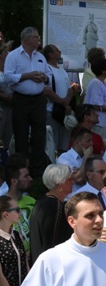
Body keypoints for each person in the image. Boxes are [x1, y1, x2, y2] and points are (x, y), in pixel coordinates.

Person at [3, 27, 51, 177]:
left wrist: (44, 78)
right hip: (21, 99)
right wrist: (27, 76)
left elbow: (49, 75)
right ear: (27, 39)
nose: (39, 40)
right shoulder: (13, 56)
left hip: (38, 99)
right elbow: (7, 77)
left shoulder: (40, 56)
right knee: (21, 134)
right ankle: (21, 170)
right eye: (36, 37)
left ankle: (37, 171)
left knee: (39, 135)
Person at [29, 164, 74, 262]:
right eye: (69, 179)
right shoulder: (54, 206)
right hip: (51, 265)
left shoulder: (41, 202)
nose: (73, 181)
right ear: (60, 185)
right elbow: (53, 240)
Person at [83, 57, 106, 139]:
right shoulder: (96, 83)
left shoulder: (103, 83)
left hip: (104, 122)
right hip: (99, 123)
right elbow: (95, 105)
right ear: (103, 71)